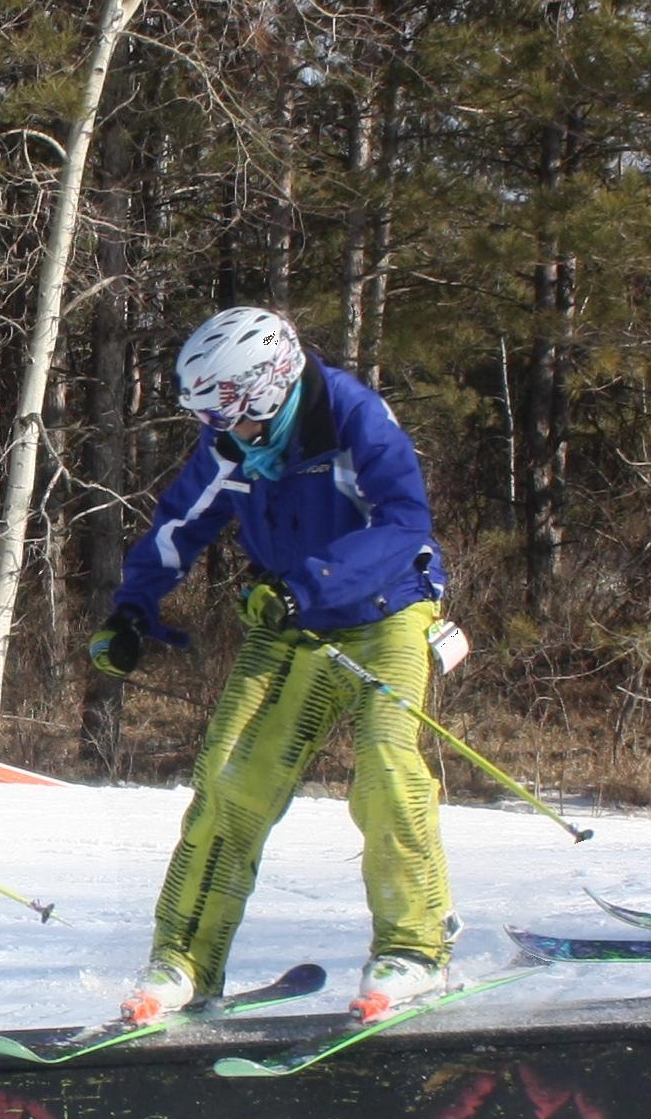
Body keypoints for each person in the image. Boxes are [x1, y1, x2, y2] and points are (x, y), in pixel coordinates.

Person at [91, 306, 456, 1024]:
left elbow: (404, 521)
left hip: (386, 607)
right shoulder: (230, 445)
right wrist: (133, 608)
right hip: (289, 616)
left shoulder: (349, 417)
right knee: (229, 780)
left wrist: (306, 585)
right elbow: (179, 521)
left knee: (386, 762)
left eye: (222, 410)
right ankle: (185, 957)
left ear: (266, 388)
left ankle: (415, 943)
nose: (214, 428)